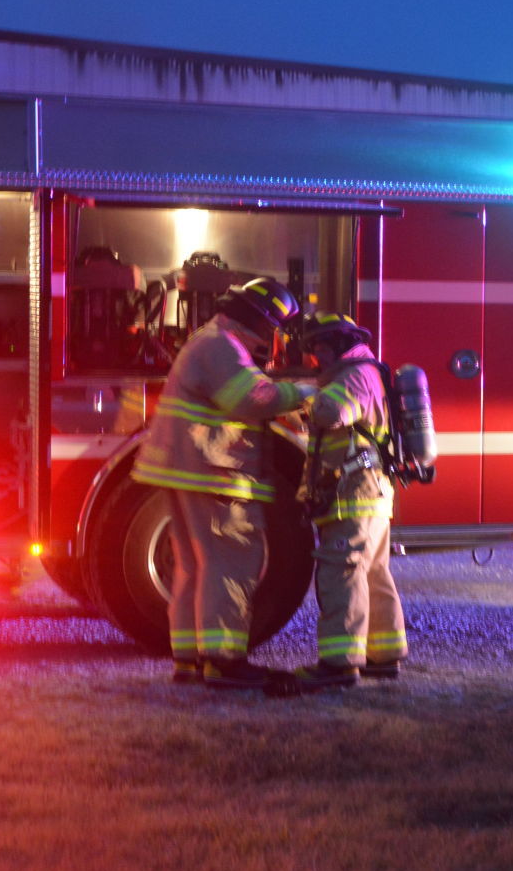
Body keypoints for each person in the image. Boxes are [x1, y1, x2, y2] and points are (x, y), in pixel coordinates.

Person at [132, 277, 315, 690]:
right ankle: (224, 661)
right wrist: (301, 391)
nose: (275, 339)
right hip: (212, 471)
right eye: (275, 328)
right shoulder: (223, 346)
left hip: (192, 470)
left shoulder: (213, 339)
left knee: (196, 567)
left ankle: (190, 660)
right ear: (262, 321)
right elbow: (250, 399)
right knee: (232, 562)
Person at [281, 311, 408, 692]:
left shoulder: (354, 375)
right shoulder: (363, 372)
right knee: (372, 573)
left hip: (353, 495)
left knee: (342, 573)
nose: (315, 359)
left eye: (319, 349)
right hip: (368, 494)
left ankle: (340, 663)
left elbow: (332, 412)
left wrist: (301, 398)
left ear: (338, 344)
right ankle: (383, 655)